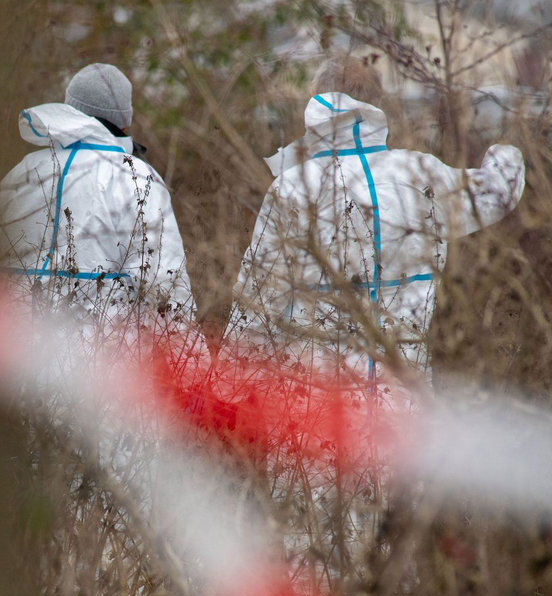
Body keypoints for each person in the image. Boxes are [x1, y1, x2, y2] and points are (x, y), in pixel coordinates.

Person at [222, 55, 526, 407]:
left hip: (311, 409)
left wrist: (228, 396)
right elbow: (498, 190)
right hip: (399, 400)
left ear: (317, 101)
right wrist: (511, 147)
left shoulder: (294, 187)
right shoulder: (420, 175)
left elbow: (256, 305)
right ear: (378, 105)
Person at [0, 63, 202, 376]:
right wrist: (193, 373)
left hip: (13, 362)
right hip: (104, 376)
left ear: (69, 107)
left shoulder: (21, 173)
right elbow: (165, 286)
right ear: (124, 121)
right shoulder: (136, 177)